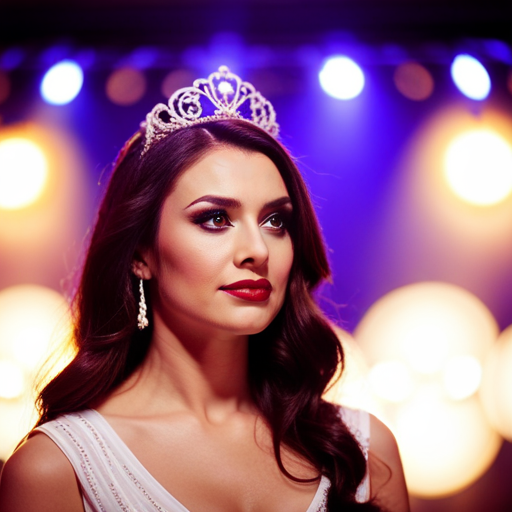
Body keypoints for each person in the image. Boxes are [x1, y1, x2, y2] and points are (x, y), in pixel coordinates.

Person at [0, 66, 409, 512]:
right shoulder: (57, 469)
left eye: (276, 221)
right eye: (215, 218)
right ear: (141, 253)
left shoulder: (363, 450)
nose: (257, 250)